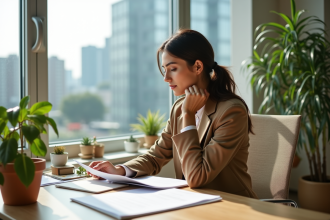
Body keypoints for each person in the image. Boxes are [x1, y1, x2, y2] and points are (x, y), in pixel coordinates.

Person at [88, 29, 258, 198]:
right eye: (164, 69)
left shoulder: (231, 111)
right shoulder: (179, 108)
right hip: (194, 203)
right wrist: (119, 170)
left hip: (232, 206)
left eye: (173, 69)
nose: (166, 78)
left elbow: (197, 177)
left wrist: (188, 115)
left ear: (197, 66)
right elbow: (156, 155)